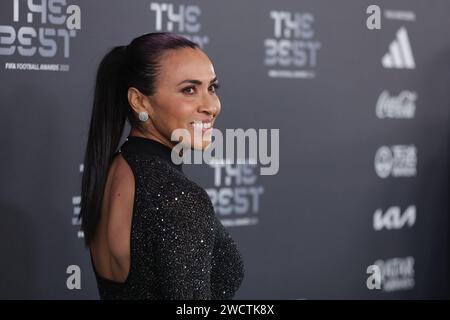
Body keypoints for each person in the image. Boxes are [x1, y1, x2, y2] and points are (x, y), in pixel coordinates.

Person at [79, 32, 244, 299]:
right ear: (140, 101)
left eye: (212, 87)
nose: (211, 106)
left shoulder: (115, 170)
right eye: (189, 90)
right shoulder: (178, 198)